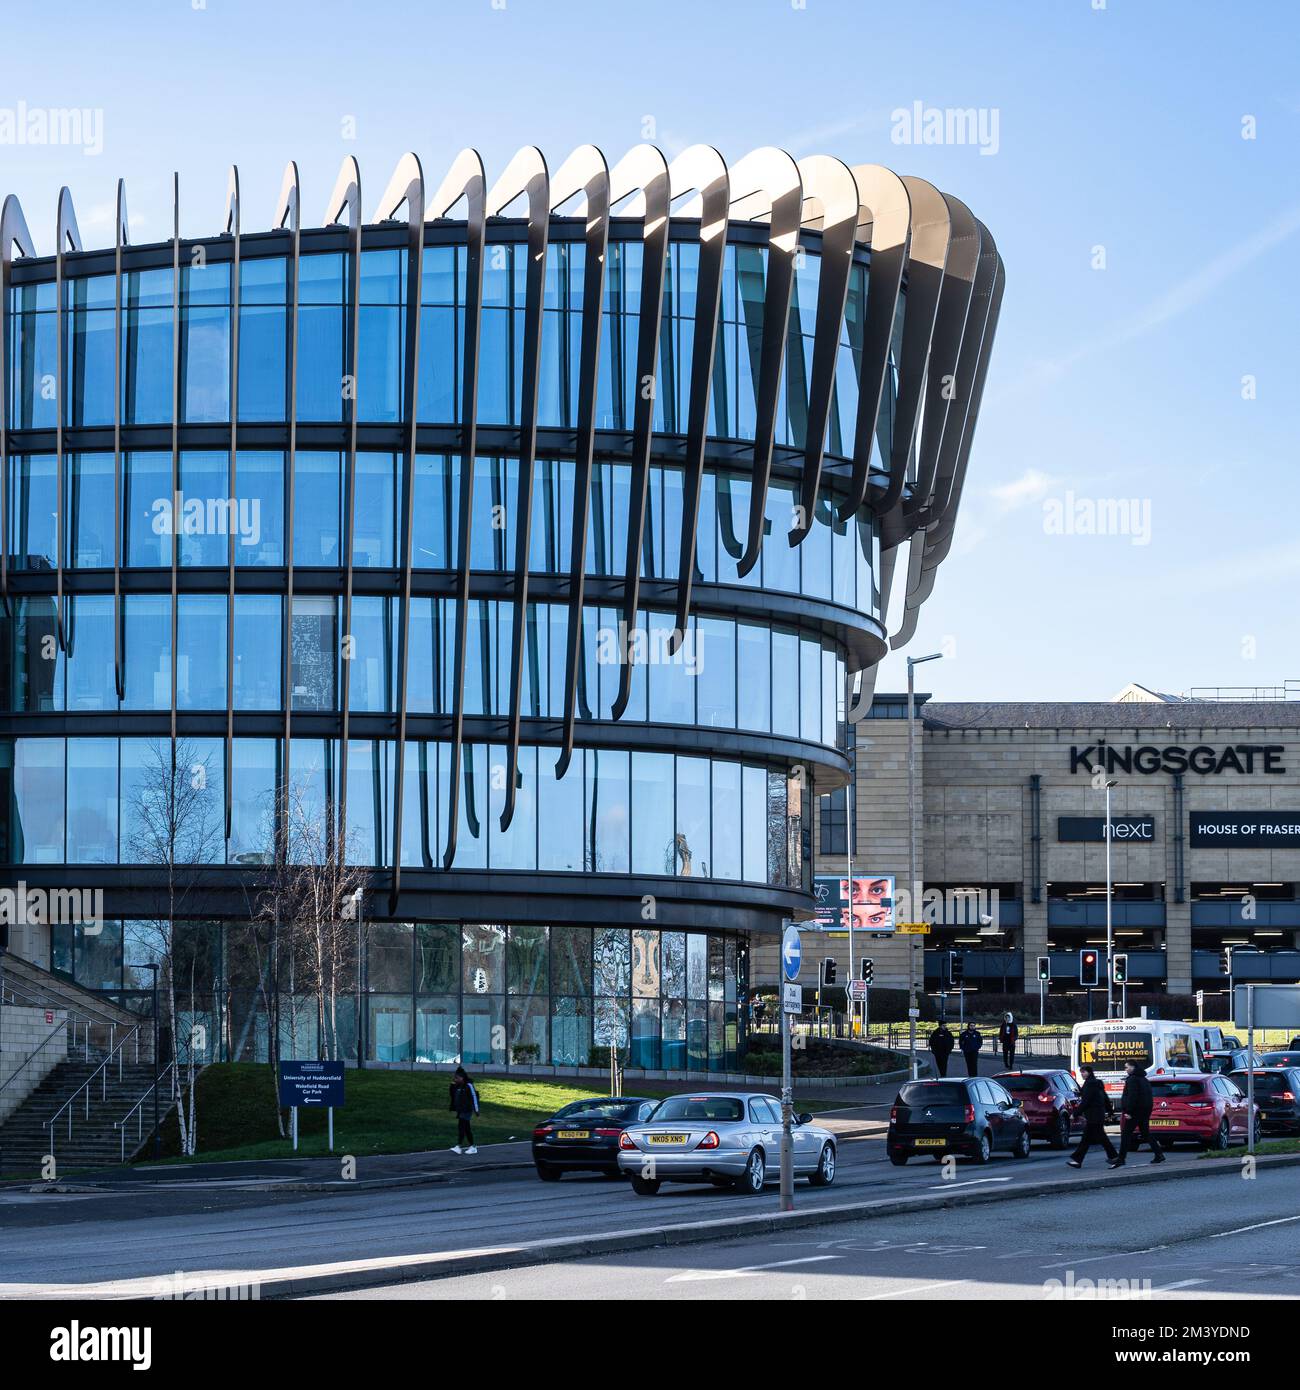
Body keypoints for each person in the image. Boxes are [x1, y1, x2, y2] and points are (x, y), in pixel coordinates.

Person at [1109, 1059, 1165, 1167]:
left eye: (1126, 1067)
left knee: (1126, 1134)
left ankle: (1121, 1159)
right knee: (1145, 1133)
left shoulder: (1132, 1080)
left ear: (1133, 1067)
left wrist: (1129, 1111)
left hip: (1135, 1112)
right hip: (1144, 1110)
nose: (1125, 1070)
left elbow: (1132, 1097)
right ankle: (1159, 1154)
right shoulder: (1144, 1079)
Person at [1066, 1065, 1117, 1167]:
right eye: (1081, 1073)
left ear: (1089, 1072)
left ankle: (1114, 1157)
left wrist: (1075, 1113)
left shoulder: (1089, 1084)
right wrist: (1110, 1110)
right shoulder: (1097, 1083)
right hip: (1098, 1114)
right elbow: (1105, 1097)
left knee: (1093, 1138)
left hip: (1093, 1115)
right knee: (1091, 1138)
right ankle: (1078, 1160)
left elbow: (1086, 1102)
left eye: (1084, 1072)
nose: (1082, 1074)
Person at [449, 1066, 480, 1155]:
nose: (455, 1079)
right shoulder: (458, 1086)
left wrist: (476, 1110)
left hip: (467, 1109)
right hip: (461, 1110)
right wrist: (452, 1084)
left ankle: (459, 1146)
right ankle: (473, 1146)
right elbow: (452, 1095)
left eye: (456, 1078)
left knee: (461, 1126)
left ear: (462, 1078)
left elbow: (474, 1097)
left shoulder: (468, 1085)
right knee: (466, 1128)